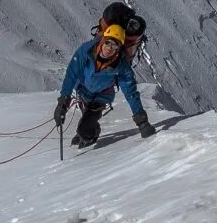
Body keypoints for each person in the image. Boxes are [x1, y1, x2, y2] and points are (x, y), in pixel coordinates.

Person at [54, 20, 154, 148]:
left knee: (84, 130)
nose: (109, 48)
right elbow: (71, 74)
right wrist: (62, 103)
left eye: (114, 46)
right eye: (108, 42)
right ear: (103, 40)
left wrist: (142, 121)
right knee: (86, 124)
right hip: (82, 92)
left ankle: (91, 133)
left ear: (119, 48)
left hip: (100, 97)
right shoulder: (86, 51)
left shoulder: (121, 65)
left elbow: (130, 92)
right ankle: (88, 128)